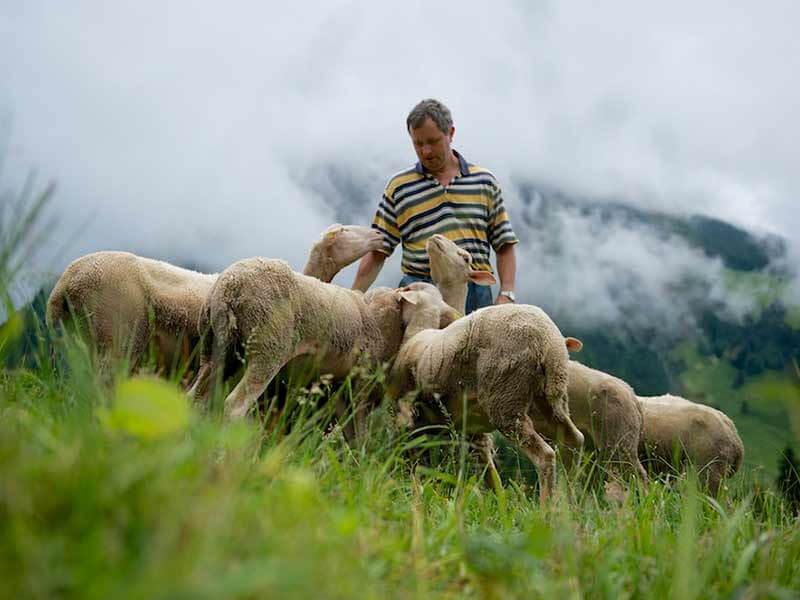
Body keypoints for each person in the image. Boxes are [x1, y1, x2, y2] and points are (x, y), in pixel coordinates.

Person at [352, 98, 518, 313]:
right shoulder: (400, 188)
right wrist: (353, 299)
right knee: (418, 349)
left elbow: (504, 243)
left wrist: (507, 293)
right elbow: (377, 250)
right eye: (418, 144)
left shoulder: (484, 182)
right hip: (420, 296)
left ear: (451, 133)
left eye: (433, 141)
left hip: (473, 291)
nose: (426, 151)